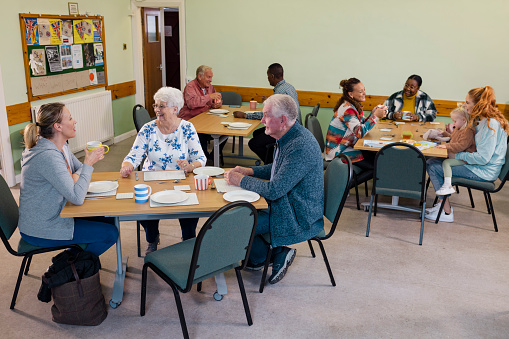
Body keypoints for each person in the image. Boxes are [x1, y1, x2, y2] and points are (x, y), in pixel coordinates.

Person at [225, 94, 324, 284]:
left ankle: (275, 253)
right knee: (240, 210)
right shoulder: (290, 136)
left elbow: (275, 190)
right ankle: (261, 257)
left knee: (238, 221)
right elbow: (280, 168)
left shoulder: (300, 146)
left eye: (266, 116)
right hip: (289, 202)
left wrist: (241, 180)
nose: (262, 121)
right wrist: (250, 171)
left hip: (299, 213)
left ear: (283, 120)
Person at [18, 103, 118, 257]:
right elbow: (77, 197)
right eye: (70, 118)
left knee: (108, 219)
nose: (74, 121)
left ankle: (74, 261)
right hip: (42, 226)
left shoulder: (60, 146)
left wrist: (76, 174)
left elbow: (78, 169)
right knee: (110, 234)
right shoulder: (48, 156)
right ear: (58, 126)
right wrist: (88, 163)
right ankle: (68, 267)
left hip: (58, 211)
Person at [121, 87, 207, 254]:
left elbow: (201, 159)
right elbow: (133, 156)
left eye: (162, 106)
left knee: (190, 210)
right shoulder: (148, 129)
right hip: (152, 179)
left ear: (175, 109)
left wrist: (190, 166)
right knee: (142, 207)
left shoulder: (187, 128)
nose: (157, 110)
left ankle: (188, 241)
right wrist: (127, 166)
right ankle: (152, 238)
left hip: (181, 179)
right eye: (155, 106)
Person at [426, 86, 509, 222]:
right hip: (480, 167)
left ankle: (446, 212)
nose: (464, 105)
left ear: (478, 105)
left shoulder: (490, 125)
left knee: (434, 166)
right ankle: (442, 205)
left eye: (467, 102)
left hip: (484, 172)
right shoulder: (482, 122)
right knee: (432, 161)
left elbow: (483, 158)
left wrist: (456, 156)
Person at [235, 63, 301, 164]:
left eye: (268, 76)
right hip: (295, 127)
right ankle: (272, 158)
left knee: (253, 143)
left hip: (286, 130)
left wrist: (245, 115)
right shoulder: (288, 87)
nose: (268, 79)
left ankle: (272, 164)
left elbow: (267, 116)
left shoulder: (279, 92)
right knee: (257, 133)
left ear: (272, 76)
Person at [324, 78, 387, 169]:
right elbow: (360, 132)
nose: (365, 93)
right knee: (378, 165)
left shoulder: (354, 105)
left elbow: (361, 125)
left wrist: (373, 113)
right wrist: (376, 116)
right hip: (339, 152)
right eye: (361, 91)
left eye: (364, 89)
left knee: (379, 158)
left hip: (348, 146)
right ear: (351, 94)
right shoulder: (348, 110)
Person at [179, 65, 225, 163]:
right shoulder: (190, 87)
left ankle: (212, 157)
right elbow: (192, 103)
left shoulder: (209, 87)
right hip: (191, 121)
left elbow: (215, 99)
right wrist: (209, 97)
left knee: (225, 131)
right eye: (209, 77)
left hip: (205, 119)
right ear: (200, 77)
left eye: (211, 77)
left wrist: (217, 103)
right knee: (200, 135)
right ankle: (204, 159)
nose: (211, 80)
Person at [434, 106, 476, 195]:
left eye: (455, 121)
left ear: (464, 120)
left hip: (464, 160)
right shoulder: (458, 129)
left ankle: (448, 185)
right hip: (456, 156)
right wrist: (444, 133)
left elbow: (461, 146)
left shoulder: (468, 131)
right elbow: (453, 138)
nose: (453, 123)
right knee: (440, 160)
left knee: (446, 163)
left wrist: (447, 146)